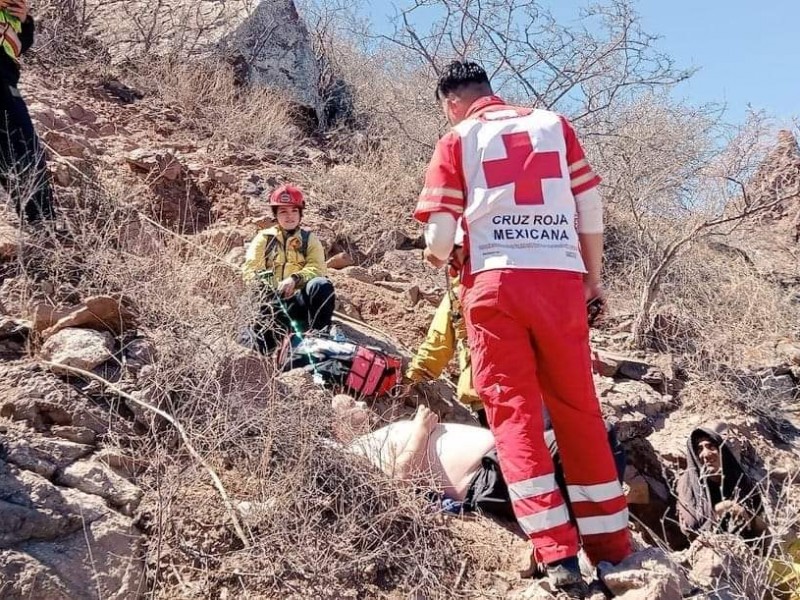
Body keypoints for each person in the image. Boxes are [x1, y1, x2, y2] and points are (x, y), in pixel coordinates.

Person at [413, 60, 630, 591]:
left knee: (513, 417)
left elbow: (441, 238)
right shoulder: (554, 125)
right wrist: (592, 280)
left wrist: (436, 257)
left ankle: (557, 555)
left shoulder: (456, 139)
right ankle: (613, 548)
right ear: (492, 91)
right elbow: (591, 207)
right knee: (579, 409)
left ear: (452, 103)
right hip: (560, 281)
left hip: (494, 287)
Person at [242, 184, 335, 353]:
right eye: (283, 211)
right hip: (271, 305)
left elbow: (318, 268)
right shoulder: (264, 238)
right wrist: (270, 287)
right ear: (276, 215)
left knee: (321, 284)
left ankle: (319, 338)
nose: (289, 216)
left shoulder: (309, 240)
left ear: (300, 213)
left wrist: (295, 279)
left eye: (294, 211)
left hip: (299, 305)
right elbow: (251, 269)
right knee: (257, 291)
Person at [0, 0, 55, 223]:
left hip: (5, 80)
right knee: (22, 149)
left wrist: (24, 20)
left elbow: (20, 47)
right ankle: (42, 226)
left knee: (22, 151)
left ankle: (41, 227)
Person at [676, 422, 768, 543]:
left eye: (711, 446)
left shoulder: (738, 477)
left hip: (748, 548)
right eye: (699, 449)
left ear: (721, 450)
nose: (706, 454)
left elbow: (762, 523)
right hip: (710, 551)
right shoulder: (688, 483)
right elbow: (691, 526)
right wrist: (724, 507)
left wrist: (748, 516)